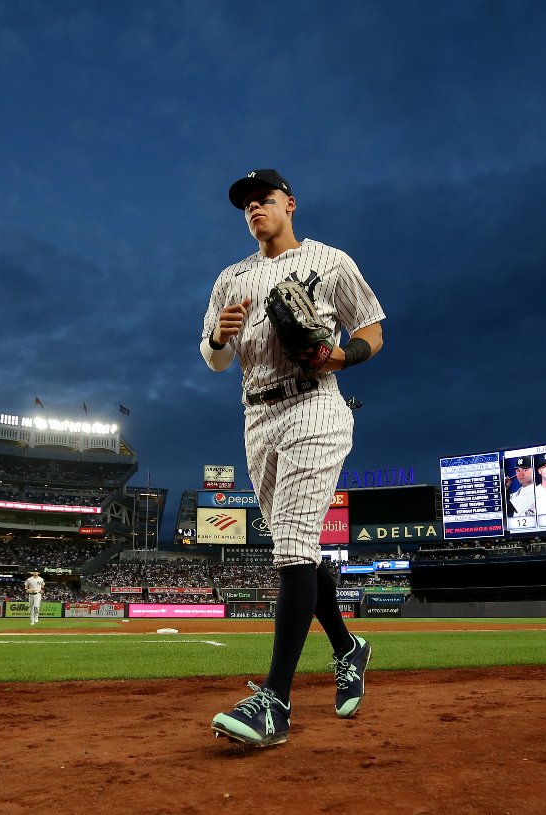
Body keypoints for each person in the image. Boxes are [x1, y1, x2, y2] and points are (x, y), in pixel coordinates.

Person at [201, 169, 385, 748]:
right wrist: (218, 337)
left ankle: (275, 702)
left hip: (315, 404)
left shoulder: (330, 261)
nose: (255, 209)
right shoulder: (231, 278)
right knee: (296, 548)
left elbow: (374, 331)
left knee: (293, 546)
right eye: (247, 205)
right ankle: (347, 648)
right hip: (257, 415)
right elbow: (215, 361)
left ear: (290, 204)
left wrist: (339, 353)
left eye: (265, 200)